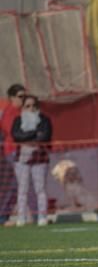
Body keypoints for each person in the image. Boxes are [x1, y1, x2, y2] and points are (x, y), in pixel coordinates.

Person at [11, 95, 52, 226]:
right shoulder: (18, 120)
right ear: (22, 107)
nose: (31, 108)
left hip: (40, 159)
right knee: (22, 190)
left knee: (40, 189)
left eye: (34, 105)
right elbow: (17, 136)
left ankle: (42, 217)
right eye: (27, 106)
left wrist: (27, 138)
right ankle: (21, 218)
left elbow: (45, 136)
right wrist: (34, 134)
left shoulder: (44, 120)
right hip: (21, 160)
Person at [0, 84, 26, 226]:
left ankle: (5, 215)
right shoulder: (10, 113)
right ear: (11, 98)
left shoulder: (18, 111)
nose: (23, 99)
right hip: (13, 151)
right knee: (17, 185)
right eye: (20, 96)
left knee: (15, 185)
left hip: (18, 151)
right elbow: (13, 133)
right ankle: (4, 215)